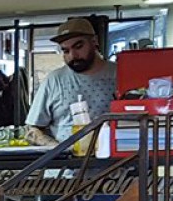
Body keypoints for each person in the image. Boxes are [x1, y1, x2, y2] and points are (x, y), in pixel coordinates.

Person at [25, 17, 117, 147]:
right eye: (66, 51)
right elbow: (32, 130)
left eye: (78, 47)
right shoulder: (54, 80)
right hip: (65, 158)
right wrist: (57, 149)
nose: (73, 56)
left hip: (114, 158)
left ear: (94, 41)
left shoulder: (120, 75)